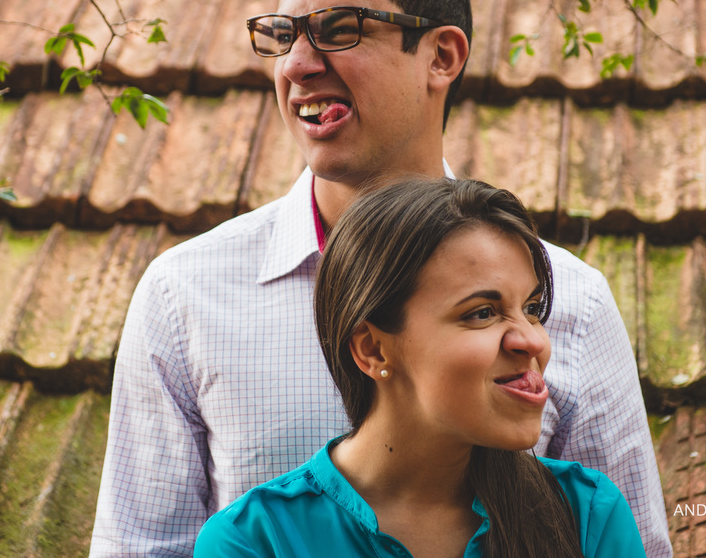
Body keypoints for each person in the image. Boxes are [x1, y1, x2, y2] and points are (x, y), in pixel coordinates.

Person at [89, 0, 671, 557]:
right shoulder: (186, 295)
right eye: (283, 35)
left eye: (339, 29)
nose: (297, 65)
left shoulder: (576, 302)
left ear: (441, 56)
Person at [193, 177, 646, 558]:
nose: (532, 340)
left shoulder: (588, 516)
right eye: (482, 313)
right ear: (372, 350)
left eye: (531, 308)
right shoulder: (253, 542)